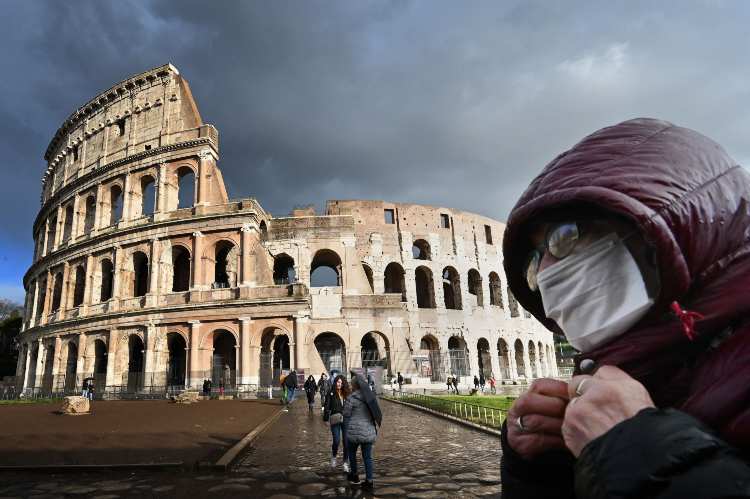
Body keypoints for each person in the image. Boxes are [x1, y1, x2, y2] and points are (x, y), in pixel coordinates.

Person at [499, 118, 750, 498]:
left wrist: (639, 450)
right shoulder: (636, 372)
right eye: (533, 262)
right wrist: (547, 469)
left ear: (669, 224)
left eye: (564, 236)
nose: (546, 274)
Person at [344, 374, 380, 490]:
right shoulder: (370, 398)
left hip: (354, 432)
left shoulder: (351, 398)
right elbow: (375, 413)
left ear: (354, 386)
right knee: (368, 457)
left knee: (352, 454)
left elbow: (346, 414)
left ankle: (354, 476)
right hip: (368, 432)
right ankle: (369, 481)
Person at [323, 375, 350, 473]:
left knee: (346, 442)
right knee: (337, 440)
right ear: (335, 382)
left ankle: (345, 462)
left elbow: (351, 405)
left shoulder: (347, 393)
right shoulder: (331, 393)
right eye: (338, 382)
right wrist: (326, 419)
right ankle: (334, 457)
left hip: (346, 419)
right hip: (335, 418)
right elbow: (327, 406)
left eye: (341, 383)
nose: (340, 384)